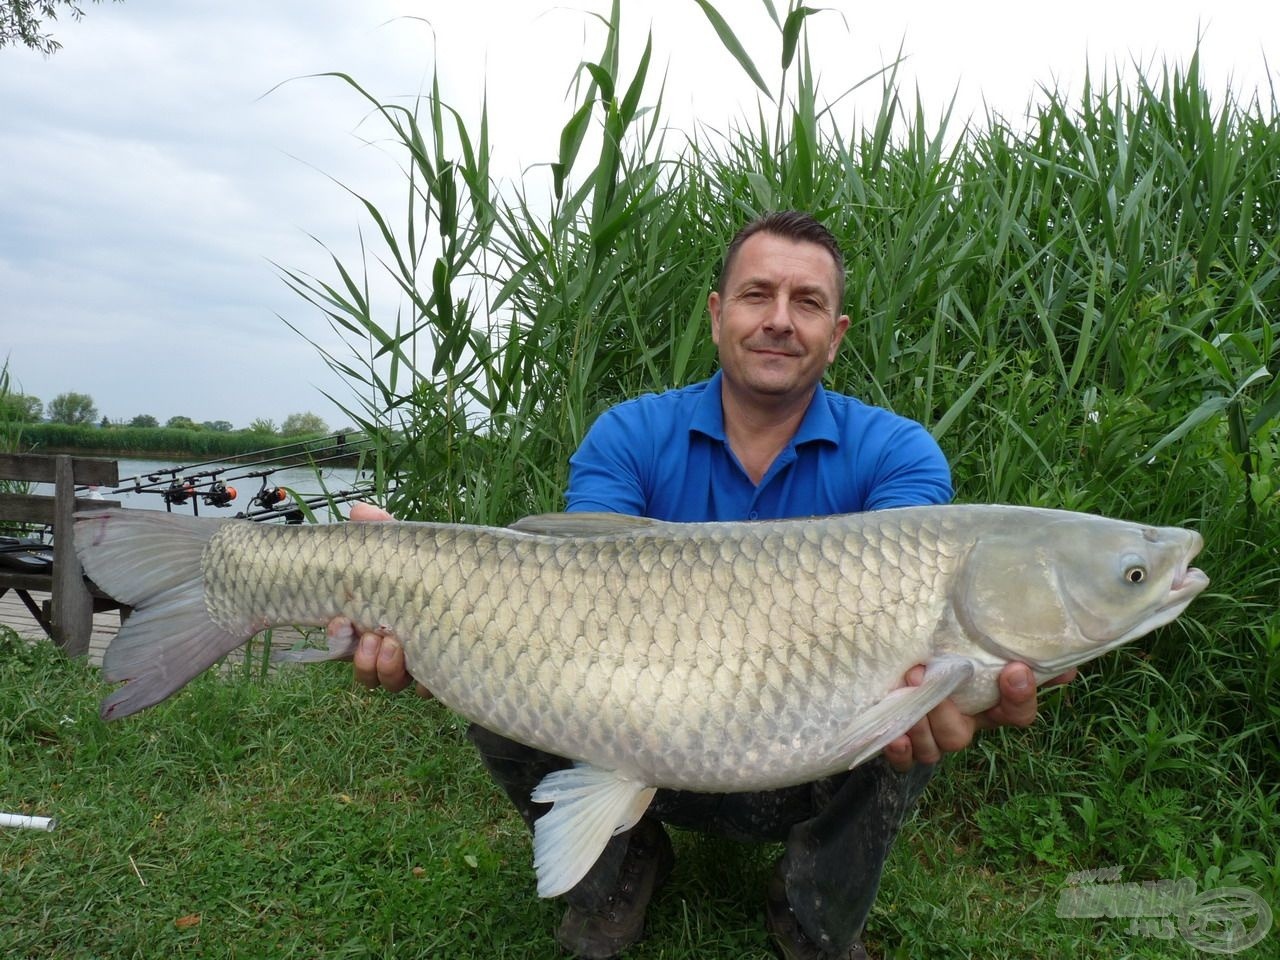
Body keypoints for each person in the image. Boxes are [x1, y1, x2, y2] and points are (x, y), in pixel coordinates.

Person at [337, 211, 1073, 959]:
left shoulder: (897, 454)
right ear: (719, 314)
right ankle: (620, 866)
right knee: (511, 672)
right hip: (627, 721)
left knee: (910, 700)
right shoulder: (629, 435)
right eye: (757, 295)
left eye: (808, 303)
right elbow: (566, 600)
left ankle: (812, 909)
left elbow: (917, 631)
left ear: (837, 332)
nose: (780, 321)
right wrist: (412, 593)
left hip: (812, 743)